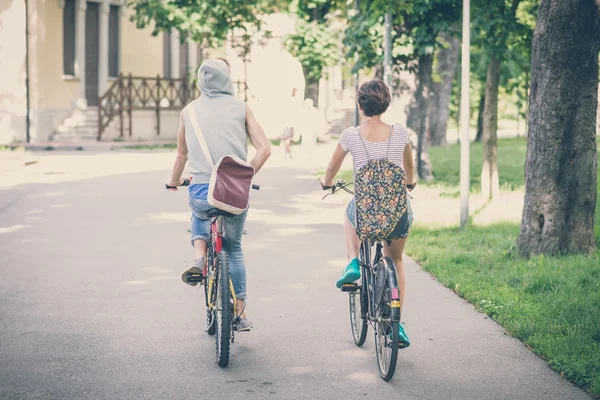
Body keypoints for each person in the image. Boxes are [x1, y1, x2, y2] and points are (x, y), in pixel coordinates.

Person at [166, 58, 271, 331]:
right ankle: (240, 313)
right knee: (234, 249)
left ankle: (200, 257)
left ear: (201, 81)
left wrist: (174, 180)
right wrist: (245, 175)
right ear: (227, 79)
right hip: (233, 190)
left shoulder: (188, 111)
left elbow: (181, 154)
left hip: (201, 188)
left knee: (199, 210)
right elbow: (265, 150)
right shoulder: (242, 108)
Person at [320, 79, 416, 347]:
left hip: (366, 211)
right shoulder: (400, 134)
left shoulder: (351, 135)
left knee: (350, 212)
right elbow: (409, 169)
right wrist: (409, 183)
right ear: (385, 104)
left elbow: (332, 166)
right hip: (396, 212)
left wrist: (327, 183)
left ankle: (353, 261)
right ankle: (397, 323)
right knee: (395, 259)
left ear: (360, 105)